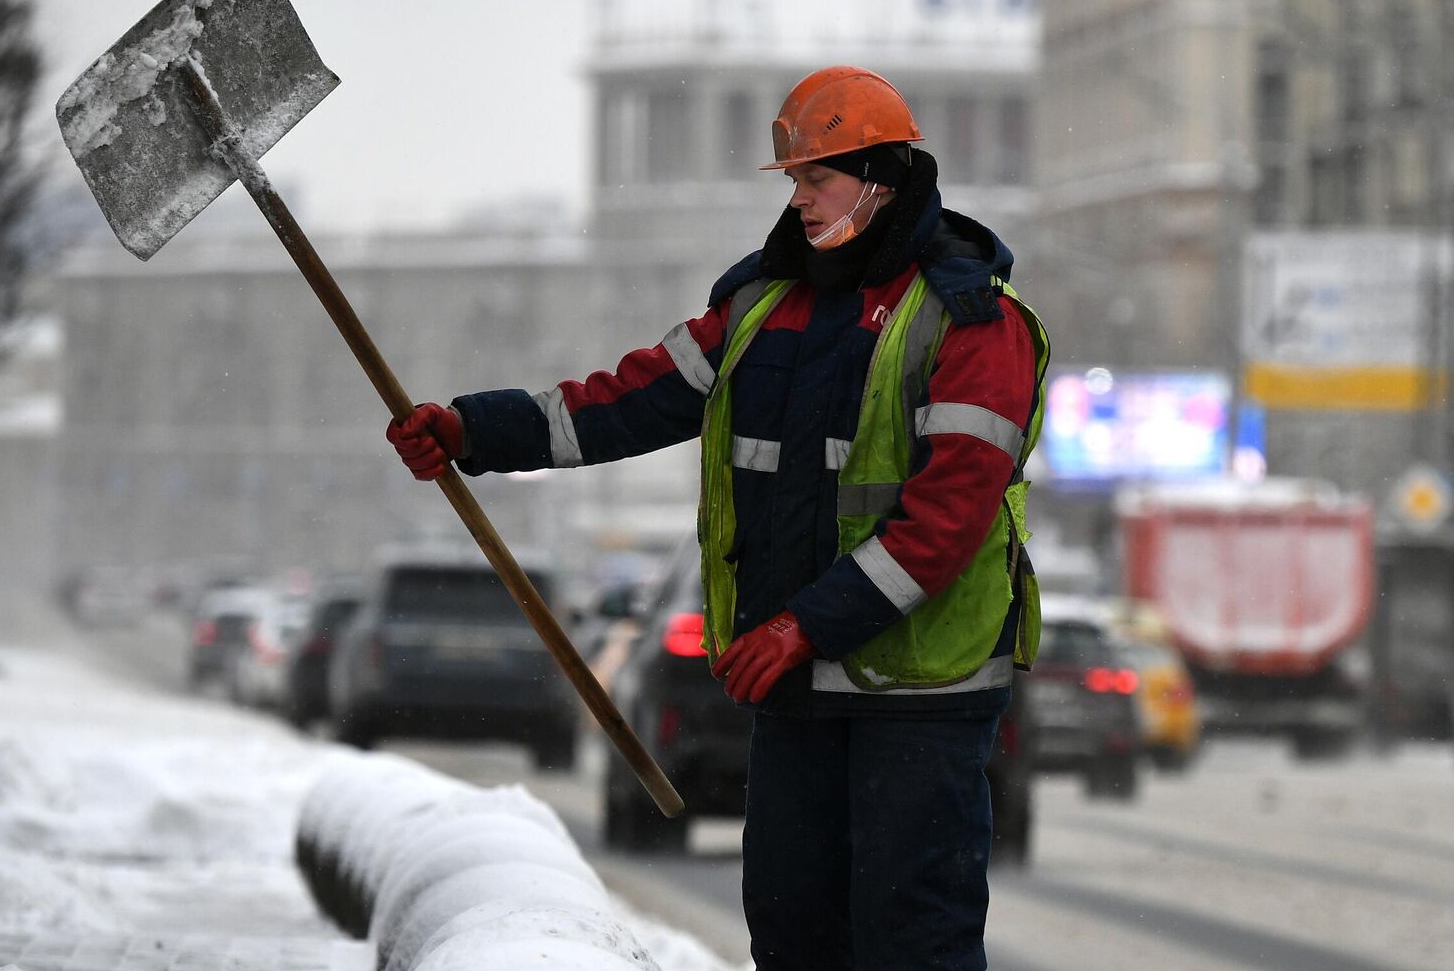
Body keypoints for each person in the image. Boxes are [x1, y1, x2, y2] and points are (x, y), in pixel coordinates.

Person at [385, 65, 1049, 971]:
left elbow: (948, 520)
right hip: (794, 694)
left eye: (819, 179)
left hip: (919, 702)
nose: (802, 200)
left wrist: (803, 626)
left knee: (912, 944)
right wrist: (472, 430)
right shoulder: (760, 306)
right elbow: (622, 403)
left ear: (883, 180)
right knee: (792, 938)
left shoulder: (972, 324)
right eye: (796, 183)